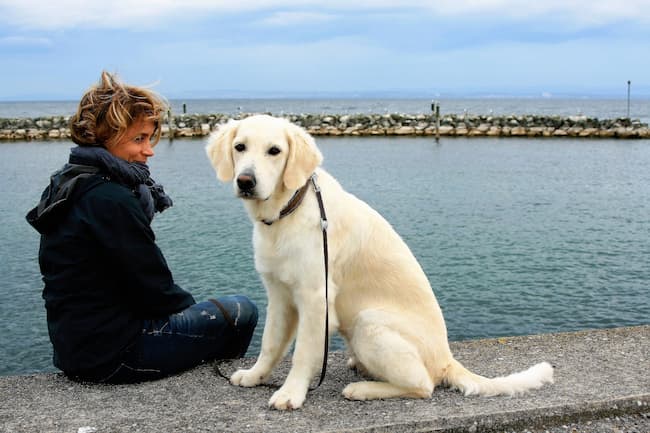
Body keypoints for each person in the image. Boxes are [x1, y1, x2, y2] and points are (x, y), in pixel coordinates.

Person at [26, 71, 257, 384]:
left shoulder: (66, 181)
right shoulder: (111, 198)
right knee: (241, 310)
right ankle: (213, 385)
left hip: (74, 349)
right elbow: (157, 290)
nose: (149, 150)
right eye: (138, 139)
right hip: (117, 355)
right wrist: (189, 316)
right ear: (103, 136)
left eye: (149, 138)